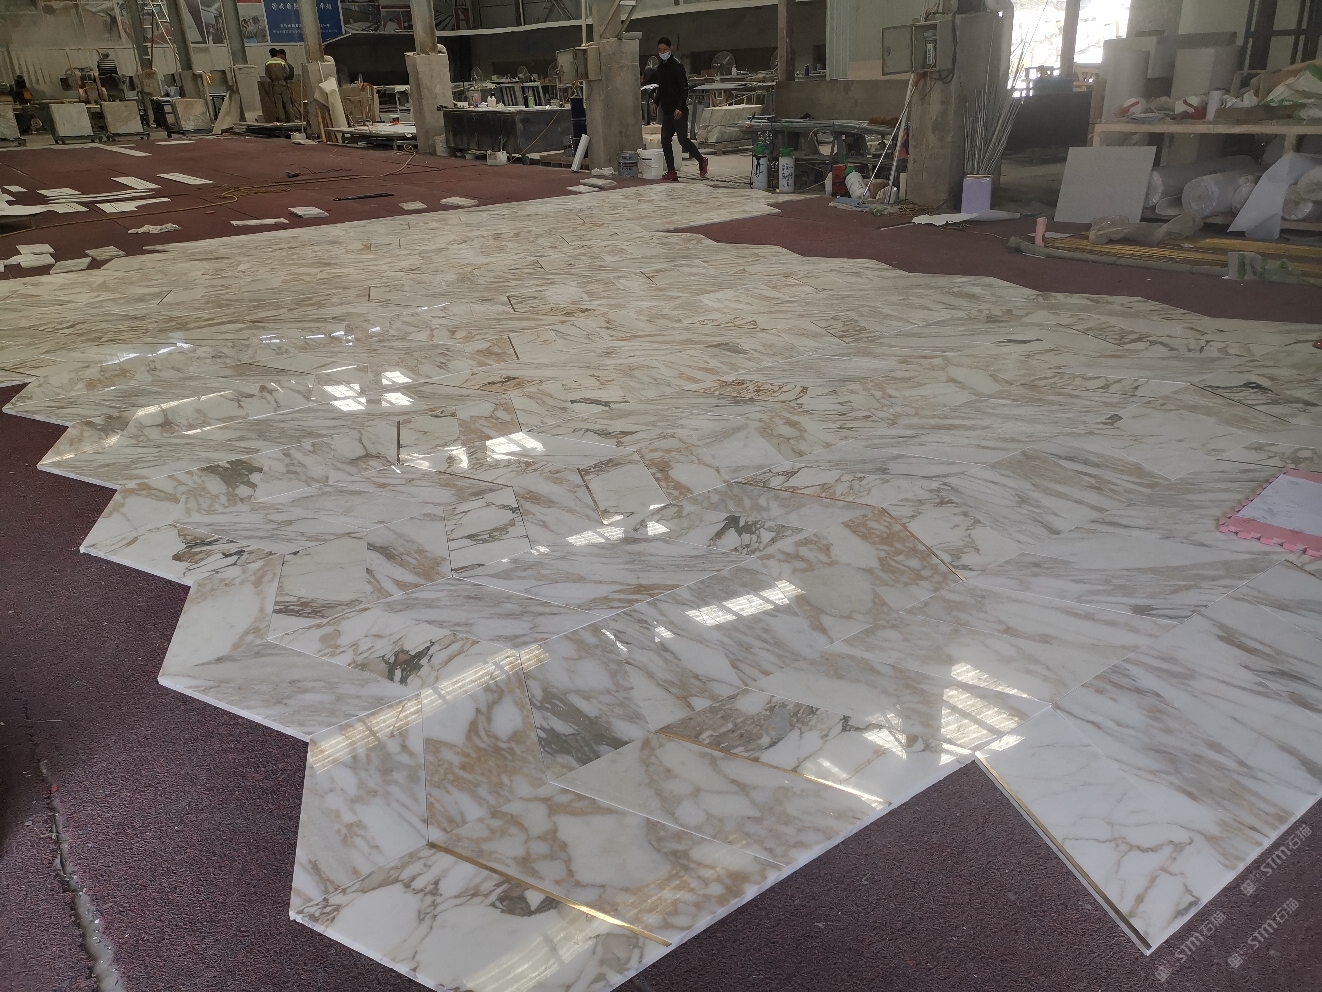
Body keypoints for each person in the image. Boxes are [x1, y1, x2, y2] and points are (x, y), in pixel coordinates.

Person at [652, 38, 707, 181]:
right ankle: (671, 171)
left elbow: (684, 88)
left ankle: (701, 160)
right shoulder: (660, 68)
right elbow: (662, 88)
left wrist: (680, 107)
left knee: (682, 140)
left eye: (665, 50)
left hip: (678, 111)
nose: (662, 52)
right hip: (667, 111)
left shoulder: (677, 66)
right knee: (665, 140)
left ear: (671, 49)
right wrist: (656, 102)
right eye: (660, 50)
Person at [265, 48, 295, 123]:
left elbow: (267, 74)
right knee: (287, 103)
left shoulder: (268, 63)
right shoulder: (282, 62)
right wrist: (283, 78)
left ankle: (282, 120)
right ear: (277, 54)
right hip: (283, 84)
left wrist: (273, 79)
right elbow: (287, 72)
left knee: (279, 104)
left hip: (275, 85)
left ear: (270, 54)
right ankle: (292, 119)